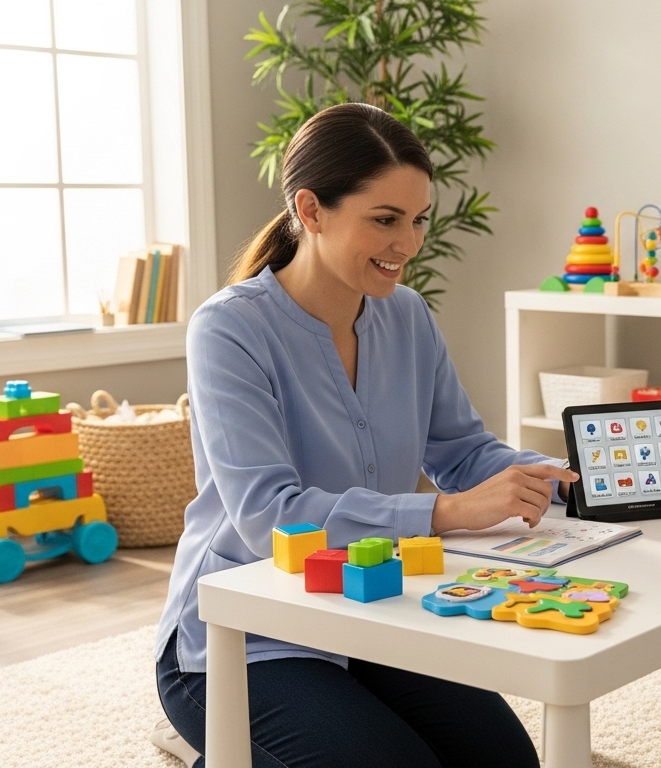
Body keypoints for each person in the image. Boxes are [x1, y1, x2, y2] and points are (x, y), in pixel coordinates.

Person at [150, 102, 576, 768]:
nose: (407, 245)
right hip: (247, 639)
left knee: (506, 763)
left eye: (417, 220)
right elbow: (271, 518)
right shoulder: (229, 331)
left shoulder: (407, 315)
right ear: (311, 210)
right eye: (384, 220)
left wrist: (564, 480)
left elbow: (464, 452)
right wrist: (446, 513)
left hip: (374, 612)